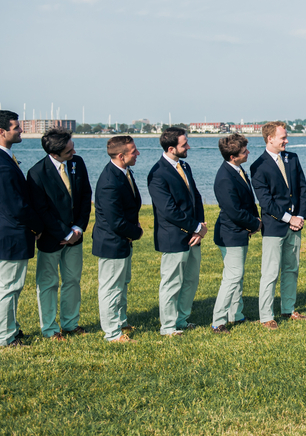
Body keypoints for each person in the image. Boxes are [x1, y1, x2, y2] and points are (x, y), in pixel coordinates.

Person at [0, 110, 43, 347]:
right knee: (8, 288)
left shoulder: (0, 158)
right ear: (1, 131)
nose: (21, 130)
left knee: (12, 287)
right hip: (10, 235)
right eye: (16, 127)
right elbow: (16, 206)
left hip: (10, 233)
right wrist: (38, 226)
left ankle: (11, 329)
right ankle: (4, 337)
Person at [26, 128, 92, 340]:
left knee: (72, 280)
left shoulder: (78, 163)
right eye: (69, 151)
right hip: (50, 238)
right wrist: (63, 232)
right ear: (54, 154)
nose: (74, 152)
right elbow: (41, 209)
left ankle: (70, 324)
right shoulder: (36, 173)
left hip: (76, 236)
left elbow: (85, 196)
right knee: (48, 284)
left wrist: (78, 228)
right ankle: (50, 329)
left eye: (73, 148)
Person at [148, 127, 207, 337]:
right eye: (184, 144)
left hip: (193, 236)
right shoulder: (157, 174)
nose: (188, 146)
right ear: (171, 148)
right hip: (173, 237)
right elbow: (169, 211)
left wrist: (199, 227)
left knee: (191, 280)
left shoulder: (185, 166)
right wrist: (196, 227)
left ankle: (182, 319)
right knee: (171, 283)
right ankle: (168, 327)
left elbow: (196, 197)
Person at [250, 121, 306, 329]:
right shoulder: (258, 166)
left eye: (286, 137)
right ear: (270, 139)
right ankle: (266, 315)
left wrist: (300, 216)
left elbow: (302, 188)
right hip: (274, 227)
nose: (287, 140)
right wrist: (288, 218)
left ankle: (288, 309)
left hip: (296, 224)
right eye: (283, 137)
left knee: (291, 268)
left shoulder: (292, 158)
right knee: (270, 272)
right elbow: (265, 202)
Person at [92, 136, 143, 343]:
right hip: (112, 242)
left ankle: (121, 321)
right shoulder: (109, 182)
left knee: (122, 284)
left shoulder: (123, 173)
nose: (137, 153)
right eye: (133, 151)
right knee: (111, 288)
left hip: (122, 241)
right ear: (121, 156)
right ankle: (112, 333)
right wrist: (137, 232)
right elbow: (116, 222)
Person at [211, 134, 261, 334]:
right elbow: (233, 210)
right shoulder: (224, 177)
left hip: (238, 232)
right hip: (230, 233)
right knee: (233, 277)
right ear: (233, 156)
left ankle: (236, 314)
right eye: (244, 151)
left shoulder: (238, 170)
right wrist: (255, 224)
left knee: (236, 276)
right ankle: (218, 321)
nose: (248, 153)